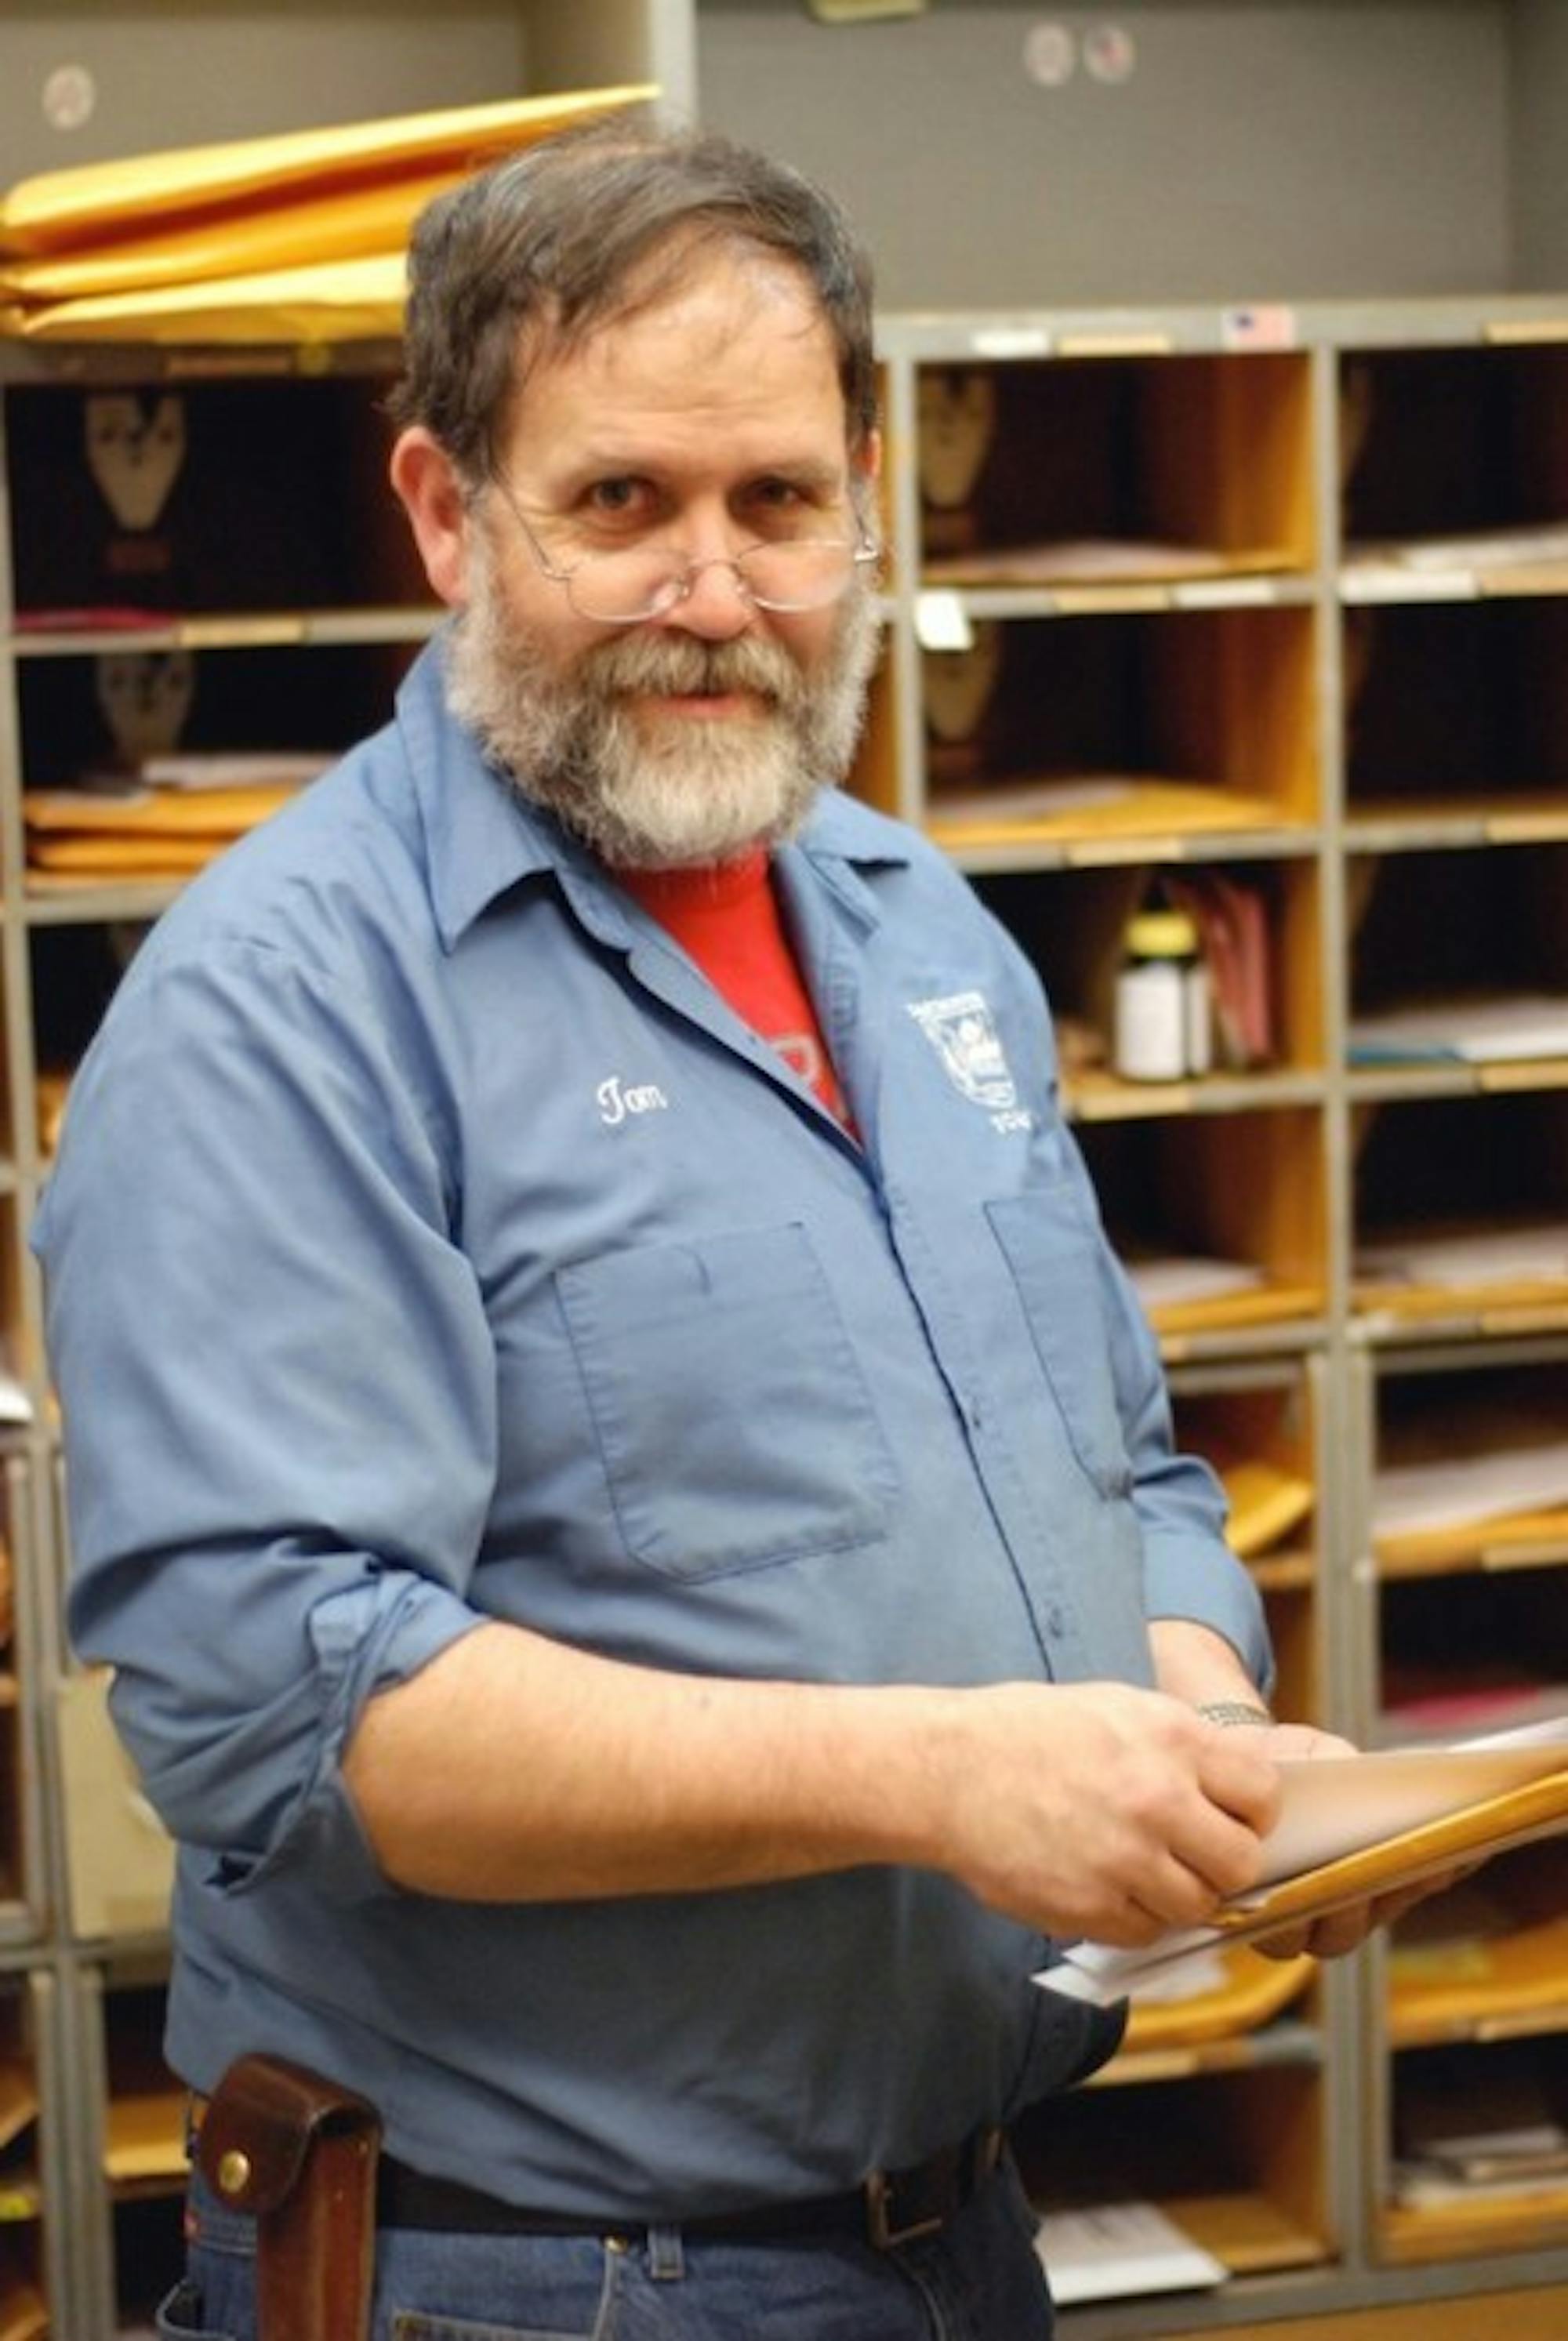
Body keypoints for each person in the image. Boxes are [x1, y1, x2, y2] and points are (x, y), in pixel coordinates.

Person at [36, 116, 1411, 2341]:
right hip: (536, 2281)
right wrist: (946, 1771)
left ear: (864, 498)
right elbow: (289, 1708)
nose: (715, 588)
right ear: (442, 515)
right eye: (621, 506)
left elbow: (1127, 1467)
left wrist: (1197, 1733)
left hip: (958, 2236)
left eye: (777, 502)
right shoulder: (283, 1009)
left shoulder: (925, 937)